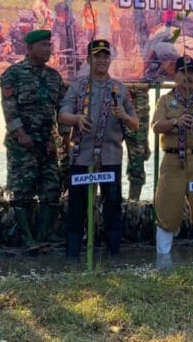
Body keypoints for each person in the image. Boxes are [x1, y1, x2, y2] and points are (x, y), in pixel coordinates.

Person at [59, 39, 139, 258]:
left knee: (112, 207)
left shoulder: (120, 89)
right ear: (88, 59)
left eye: (105, 56)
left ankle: (113, 254)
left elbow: (135, 122)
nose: (102, 60)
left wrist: (124, 115)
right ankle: (73, 256)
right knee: (77, 207)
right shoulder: (78, 86)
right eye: (97, 56)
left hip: (110, 157)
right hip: (82, 157)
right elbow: (62, 114)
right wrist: (76, 118)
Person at [0, 29, 65, 251]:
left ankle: (44, 233)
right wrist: (21, 135)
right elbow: (9, 110)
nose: (48, 49)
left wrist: (62, 138)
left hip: (46, 144)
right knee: (22, 191)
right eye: (43, 45)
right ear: (29, 49)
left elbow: (61, 110)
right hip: (22, 145)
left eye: (49, 45)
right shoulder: (13, 74)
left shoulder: (54, 77)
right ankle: (28, 238)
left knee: (51, 189)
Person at [151, 56, 193, 255]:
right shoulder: (165, 100)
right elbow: (156, 126)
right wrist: (176, 122)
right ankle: (163, 262)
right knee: (167, 211)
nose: (188, 76)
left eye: (192, 72)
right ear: (176, 75)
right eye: (184, 72)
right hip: (173, 161)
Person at [124, 84, 150, 201]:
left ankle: (133, 204)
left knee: (137, 156)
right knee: (99, 155)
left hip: (139, 97)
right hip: (107, 92)